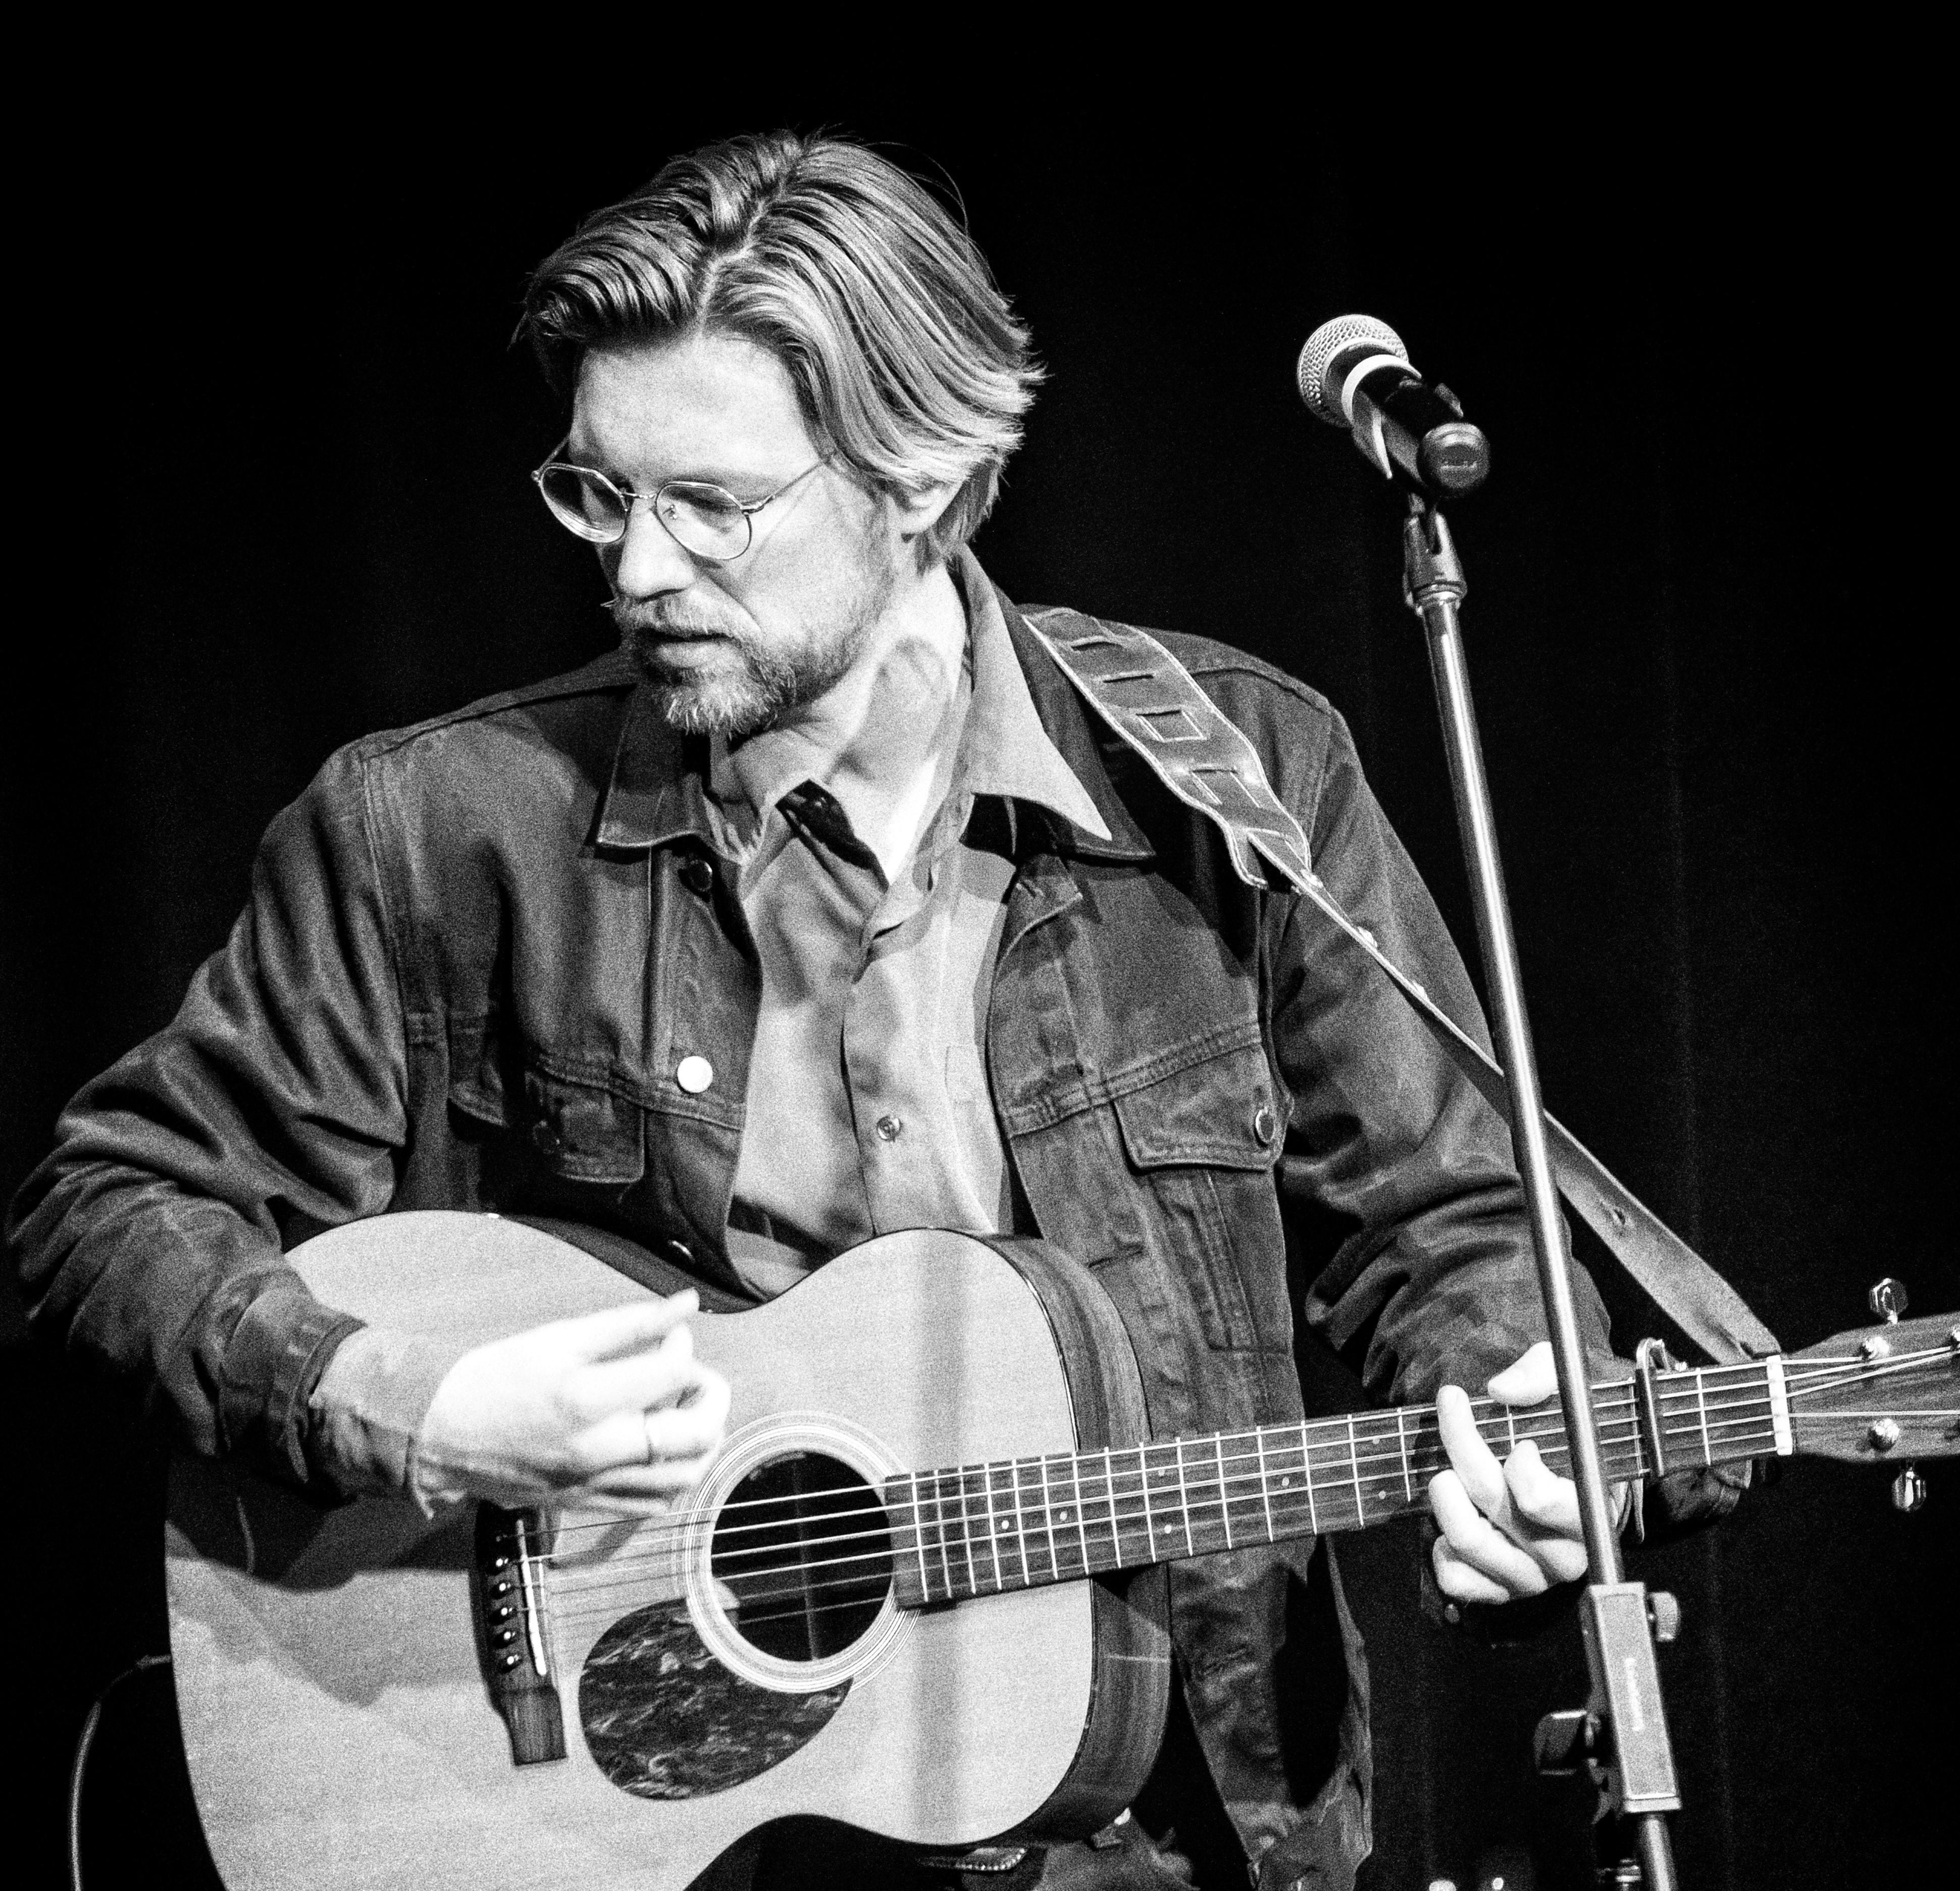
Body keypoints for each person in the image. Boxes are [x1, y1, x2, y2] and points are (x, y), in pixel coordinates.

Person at [9, 132, 1668, 1891]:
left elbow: (1448, 1224)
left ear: (927, 486)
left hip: (1176, 1832)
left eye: (713, 505)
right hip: (670, 1834)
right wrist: (407, 1399)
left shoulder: (1234, 782)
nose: (638, 568)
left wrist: (1523, 1444)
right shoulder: (441, 827)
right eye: (596, 493)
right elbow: (109, 1209)